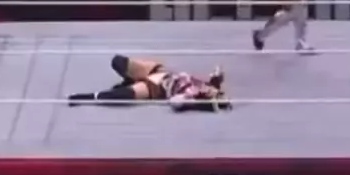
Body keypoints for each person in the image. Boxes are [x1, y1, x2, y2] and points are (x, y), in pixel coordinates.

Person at [68, 55, 231, 111]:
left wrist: (191, 100)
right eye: (218, 93)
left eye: (216, 96)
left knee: (124, 95)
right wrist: (216, 77)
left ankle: (87, 97)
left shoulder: (193, 97)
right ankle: (130, 80)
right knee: (118, 61)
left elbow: (175, 102)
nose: (215, 92)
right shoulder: (210, 86)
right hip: (157, 71)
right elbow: (217, 76)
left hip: (157, 87)